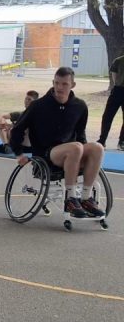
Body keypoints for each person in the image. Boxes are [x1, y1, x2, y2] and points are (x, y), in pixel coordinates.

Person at [10, 67, 106, 219]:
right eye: (57, 83)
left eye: (64, 84)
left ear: (72, 85)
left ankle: (86, 198)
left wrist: (85, 155)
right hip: (47, 154)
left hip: (73, 152)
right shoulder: (38, 105)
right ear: (53, 83)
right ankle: (70, 198)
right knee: (76, 147)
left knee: (97, 148)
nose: (60, 87)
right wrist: (18, 153)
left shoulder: (79, 106)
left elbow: (80, 135)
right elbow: (17, 129)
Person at [98, 53, 124, 151]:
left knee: (108, 116)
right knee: (107, 116)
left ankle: (121, 141)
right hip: (118, 90)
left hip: (118, 89)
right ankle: (102, 140)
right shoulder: (118, 61)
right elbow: (114, 76)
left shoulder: (118, 60)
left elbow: (115, 76)